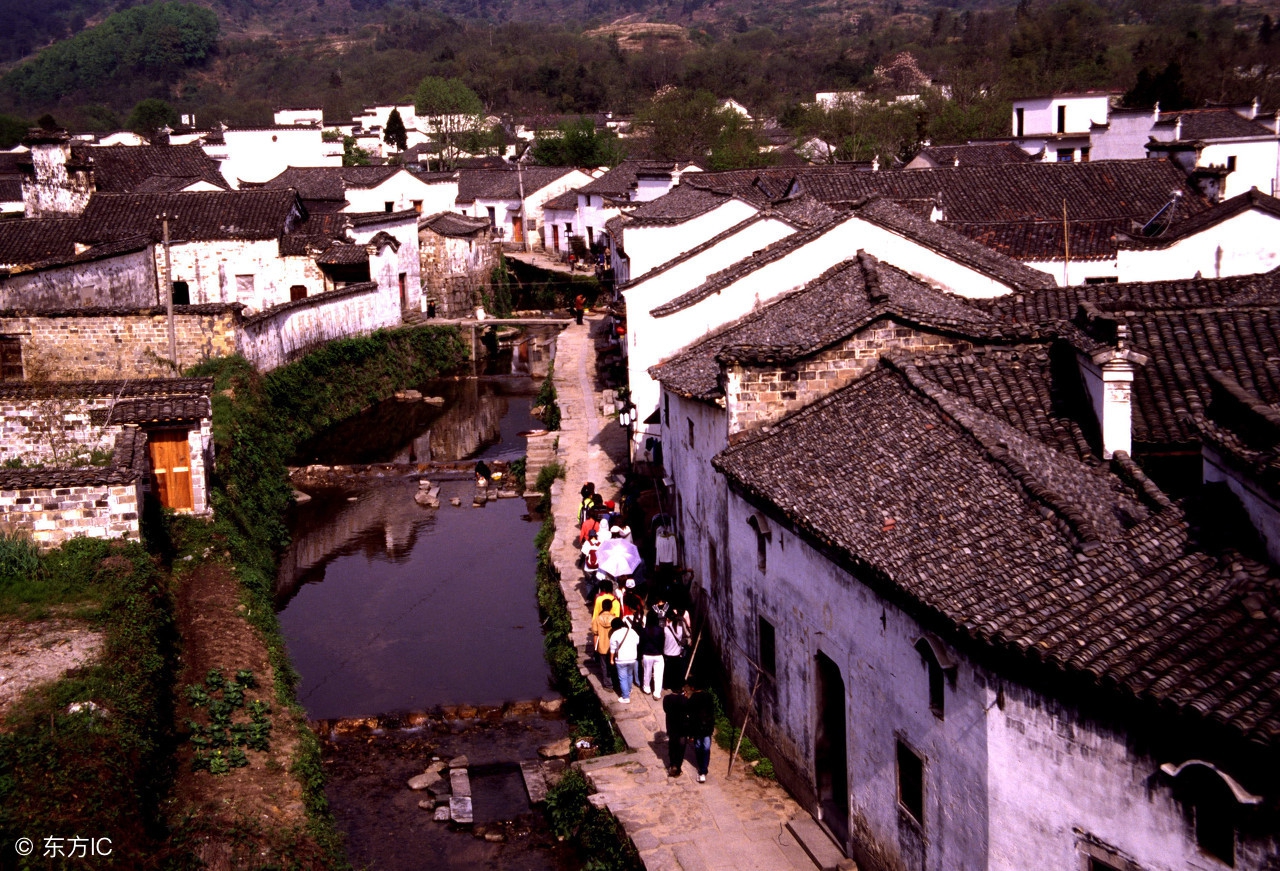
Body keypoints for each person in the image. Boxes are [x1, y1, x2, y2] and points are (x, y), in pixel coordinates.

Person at [686, 683, 715, 783]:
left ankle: (701, 768)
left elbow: (690, 716)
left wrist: (690, 734)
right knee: (706, 748)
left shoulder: (692, 699)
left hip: (697, 728)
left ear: (693, 687)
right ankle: (703, 770)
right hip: (707, 728)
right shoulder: (709, 697)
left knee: (698, 747)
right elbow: (712, 712)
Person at [638, 604, 666, 698]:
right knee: (659, 675)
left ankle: (647, 688)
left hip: (647, 654)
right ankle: (657, 693)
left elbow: (641, 643)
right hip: (658, 654)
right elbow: (663, 642)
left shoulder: (644, 630)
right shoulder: (661, 630)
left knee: (647, 672)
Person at [609, 616, 639, 703]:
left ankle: (625, 697)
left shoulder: (614, 634)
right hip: (632, 658)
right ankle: (629, 690)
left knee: (622, 678)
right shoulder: (632, 631)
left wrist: (611, 659)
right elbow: (637, 641)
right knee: (630, 675)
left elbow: (612, 649)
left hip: (621, 659)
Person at [591, 599, 618, 692]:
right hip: (612, 647)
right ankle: (615, 683)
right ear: (611, 607)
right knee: (613, 664)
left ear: (602, 607)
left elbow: (595, 635)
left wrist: (595, 648)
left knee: (604, 666)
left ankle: (608, 685)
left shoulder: (597, 619)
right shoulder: (614, 619)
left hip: (602, 646)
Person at [663, 685, 689, 777]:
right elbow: (688, 711)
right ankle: (678, 767)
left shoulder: (667, 698)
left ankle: (673, 764)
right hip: (683, 727)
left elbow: (665, 710)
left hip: (671, 726)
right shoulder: (685, 700)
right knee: (681, 747)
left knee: (672, 745)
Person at [662, 605, 689, 690]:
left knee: (667, 671)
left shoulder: (665, 629)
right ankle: (674, 686)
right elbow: (685, 638)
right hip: (676, 654)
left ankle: (666, 685)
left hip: (667, 653)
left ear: (668, 619)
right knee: (675, 671)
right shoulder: (680, 628)